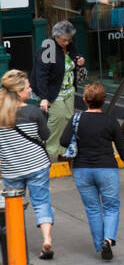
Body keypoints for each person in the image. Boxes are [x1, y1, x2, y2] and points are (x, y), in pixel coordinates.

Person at [60, 82, 124, 261]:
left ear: (85, 100)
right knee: (111, 207)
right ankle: (108, 240)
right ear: (103, 100)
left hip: (82, 170)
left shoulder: (77, 119)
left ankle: (99, 244)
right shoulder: (110, 120)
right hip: (106, 168)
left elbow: (63, 141)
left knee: (93, 209)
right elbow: (121, 145)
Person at [0, 71, 54, 261]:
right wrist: (44, 115)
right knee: (42, 202)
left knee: (13, 208)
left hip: (11, 169)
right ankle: (47, 239)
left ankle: (15, 244)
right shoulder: (34, 112)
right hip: (37, 165)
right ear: (19, 92)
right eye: (28, 87)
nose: (31, 90)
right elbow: (45, 136)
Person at [33, 20, 85, 160]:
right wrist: (44, 97)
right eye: (64, 40)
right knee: (57, 117)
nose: (67, 42)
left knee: (68, 118)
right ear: (56, 37)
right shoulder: (47, 49)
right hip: (52, 90)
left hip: (68, 89)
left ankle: (63, 149)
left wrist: (79, 59)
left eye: (69, 40)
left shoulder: (69, 45)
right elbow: (41, 74)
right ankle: (47, 147)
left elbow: (74, 56)